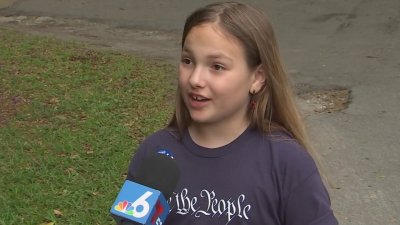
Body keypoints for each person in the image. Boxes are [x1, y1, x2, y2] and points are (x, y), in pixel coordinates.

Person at [126, 2, 338, 225]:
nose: (195, 79)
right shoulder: (155, 154)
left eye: (217, 66)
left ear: (258, 77)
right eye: (188, 61)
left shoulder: (286, 163)